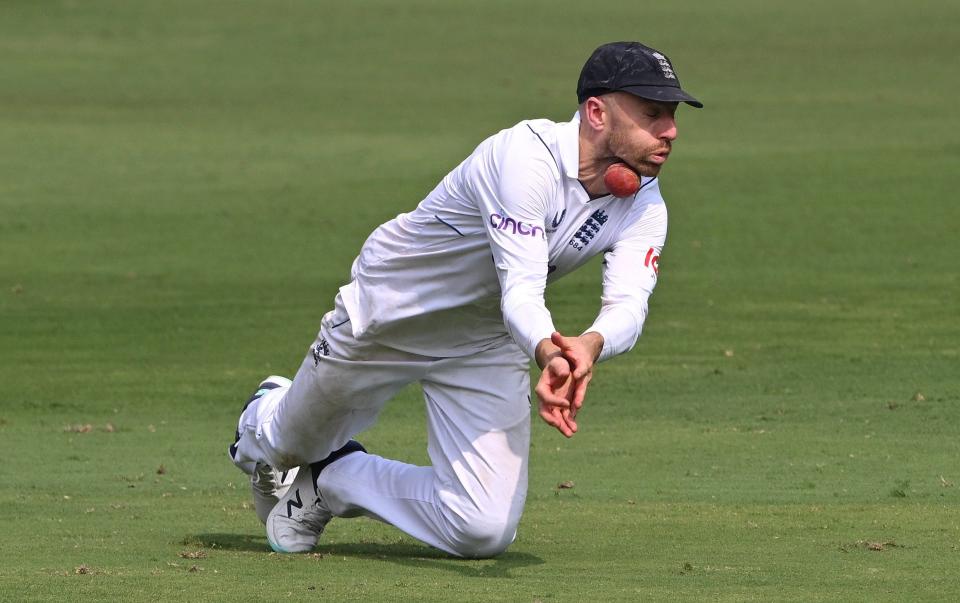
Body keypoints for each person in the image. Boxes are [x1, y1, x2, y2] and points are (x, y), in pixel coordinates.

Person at [228, 41, 702, 558]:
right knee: (285, 446)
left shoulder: (645, 205)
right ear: (595, 112)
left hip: (481, 342)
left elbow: (630, 305)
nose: (670, 131)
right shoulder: (525, 158)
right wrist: (547, 350)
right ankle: (265, 407)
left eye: (672, 116)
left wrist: (588, 346)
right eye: (652, 114)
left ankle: (332, 480)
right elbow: (520, 288)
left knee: (483, 529)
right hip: (391, 315)